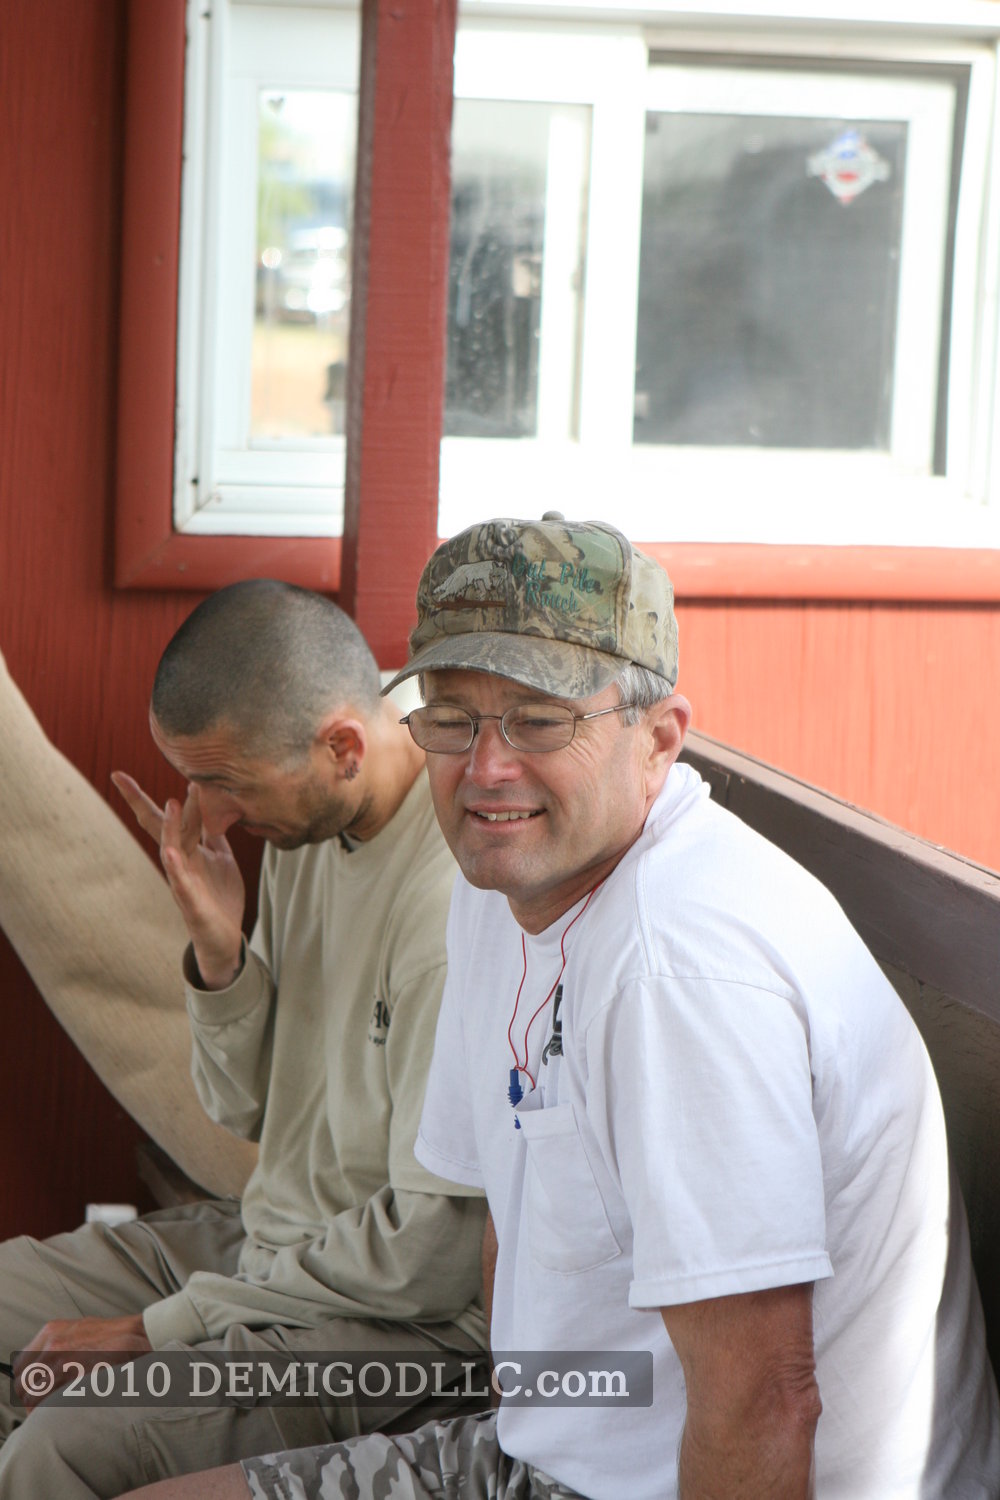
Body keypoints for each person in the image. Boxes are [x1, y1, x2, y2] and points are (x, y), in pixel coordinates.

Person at [122, 516, 1000, 1500]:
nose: (487, 767)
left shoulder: (681, 972)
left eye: (542, 721)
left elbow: (766, 1399)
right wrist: (514, 1427)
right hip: (558, 1445)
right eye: (453, 718)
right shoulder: (499, 893)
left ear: (658, 739)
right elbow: (508, 1224)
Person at [0, 580, 487, 1498]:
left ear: (343, 744)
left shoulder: (449, 909)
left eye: (223, 783)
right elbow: (246, 1110)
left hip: (388, 1326)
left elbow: (430, 1261)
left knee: (62, 1445)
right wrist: (222, 959)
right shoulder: (310, 824)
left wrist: (161, 1329)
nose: (207, 815)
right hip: (264, 1244)